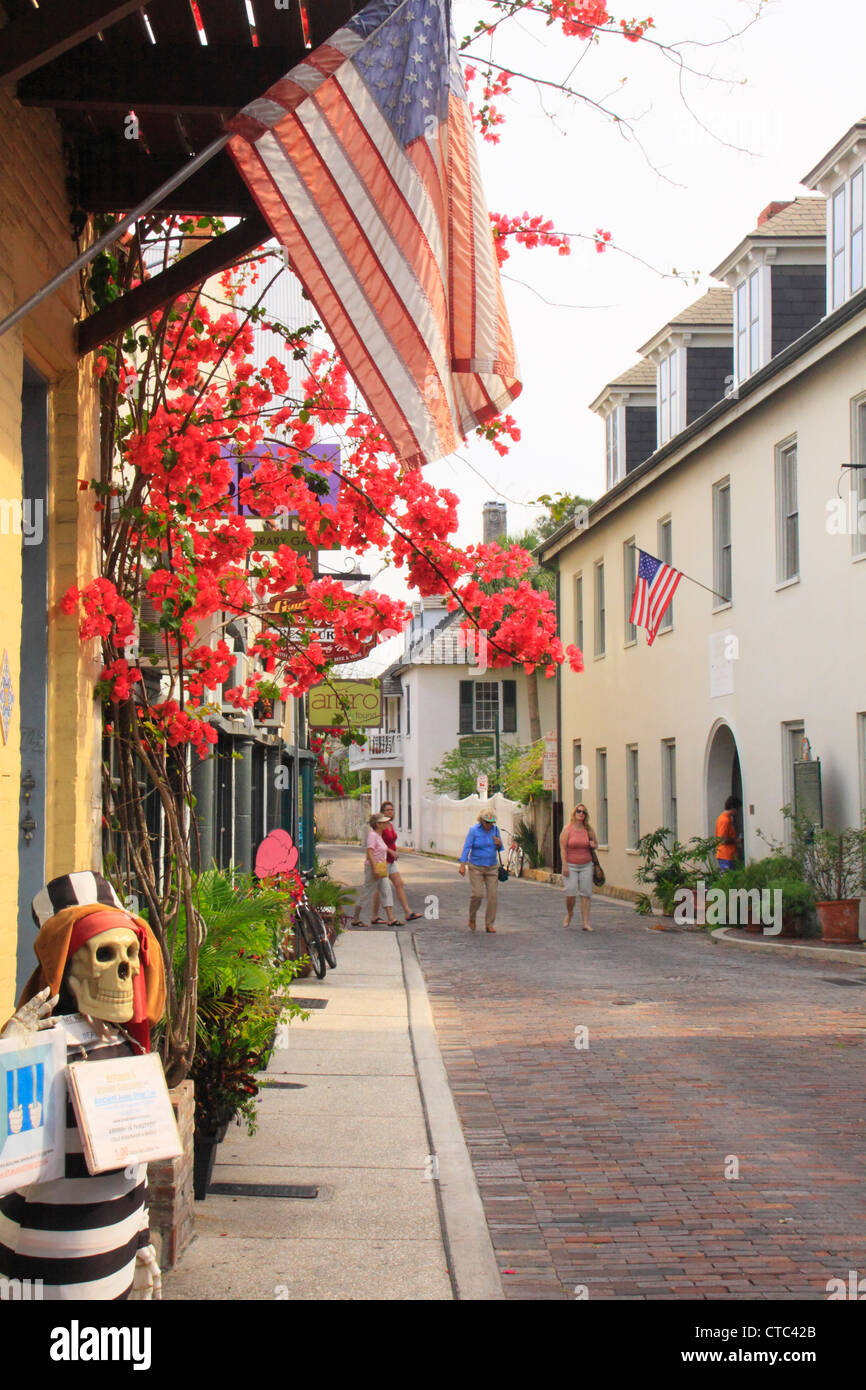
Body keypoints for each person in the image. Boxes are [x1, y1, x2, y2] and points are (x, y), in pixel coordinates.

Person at [372, 800, 423, 923]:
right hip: (382, 860)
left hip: (391, 861)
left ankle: (408, 912)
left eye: (391, 810)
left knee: (399, 883)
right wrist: (391, 851)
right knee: (380, 889)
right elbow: (378, 844)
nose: (390, 812)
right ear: (382, 812)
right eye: (387, 810)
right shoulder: (381, 826)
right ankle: (374, 916)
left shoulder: (390, 825)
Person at [350, 812, 402, 926]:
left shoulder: (378, 835)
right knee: (367, 892)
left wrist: (391, 852)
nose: (387, 823)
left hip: (381, 867)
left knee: (386, 891)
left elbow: (383, 848)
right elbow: (369, 852)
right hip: (373, 867)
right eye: (384, 822)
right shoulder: (373, 835)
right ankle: (355, 918)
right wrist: (374, 869)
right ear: (378, 824)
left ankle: (391, 918)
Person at [458, 808, 502, 933]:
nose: (489, 825)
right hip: (476, 866)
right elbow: (467, 847)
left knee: (493, 896)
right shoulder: (474, 831)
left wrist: (499, 843)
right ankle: (472, 917)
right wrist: (462, 864)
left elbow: (500, 847)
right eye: (487, 822)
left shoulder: (496, 830)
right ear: (481, 821)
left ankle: (489, 923)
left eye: (491, 822)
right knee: (477, 894)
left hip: (492, 867)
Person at [559, 803, 599, 931]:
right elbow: (563, 849)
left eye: (584, 812)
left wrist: (593, 844)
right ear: (574, 813)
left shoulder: (588, 829)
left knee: (586, 894)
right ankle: (570, 913)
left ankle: (585, 923)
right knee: (570, 893)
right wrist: (564, 865)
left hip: (586, 865)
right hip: (571, 865)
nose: (581, 814)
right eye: (579, 811)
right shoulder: (567, 829)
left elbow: (596, 843)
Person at [715, 795, 742, 874]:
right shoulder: (725, 820)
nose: (737, 812)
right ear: (733, 808)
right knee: (727, 878)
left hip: (728, 855)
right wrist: (736, 841)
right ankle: (701, 886)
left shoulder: (725, 818)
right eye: (737, 809)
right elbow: (723, 839)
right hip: (726, 855)